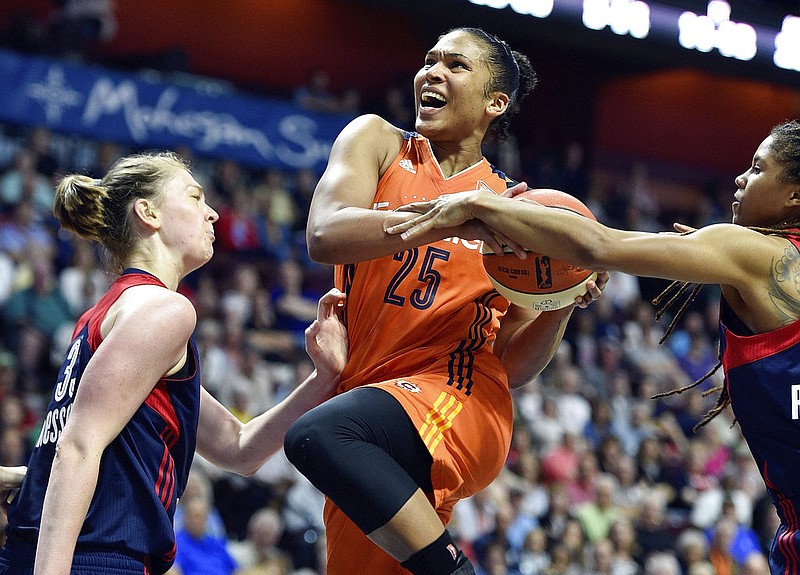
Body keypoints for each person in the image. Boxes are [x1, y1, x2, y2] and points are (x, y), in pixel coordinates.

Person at [386, 119, 800, 574]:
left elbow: (597, 243)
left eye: (758, 168)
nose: (741, 178)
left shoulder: (763, 255)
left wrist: (477, 202)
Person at [283, 27, 605, 575]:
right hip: (370, 405)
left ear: (493, 103)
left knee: (316, 435)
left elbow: (511, 363)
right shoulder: (377, 141)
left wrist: (562, 303)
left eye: (455, 66)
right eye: (429, 61)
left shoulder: (511, 208)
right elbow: (324, 234)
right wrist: (448, 218)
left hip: (458, 393)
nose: (431, 72)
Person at [0, 151, 348, 574]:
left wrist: (323, 377)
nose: (213, 213)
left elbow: (239, 448)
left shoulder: (112, 313)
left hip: (54, 549)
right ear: (148, 214)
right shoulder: (164, 311)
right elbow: (77, 447)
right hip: (91, 559)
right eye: (195, 196)